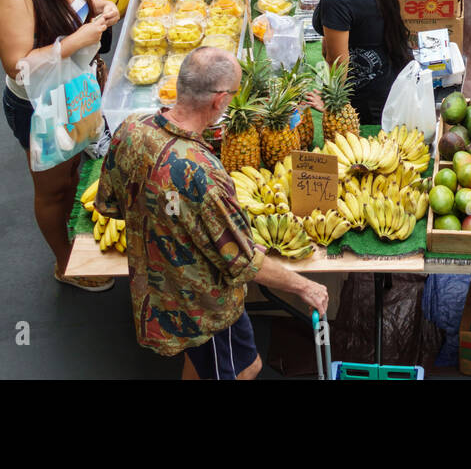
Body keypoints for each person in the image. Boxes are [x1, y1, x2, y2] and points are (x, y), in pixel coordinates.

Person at [97, 48, 329, 380]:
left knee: (200, 363)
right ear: (219, 101)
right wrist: (305, 286)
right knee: (244, 370)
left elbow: (113, 204)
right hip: (201, 307)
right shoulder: (202, 175)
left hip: (153, 290)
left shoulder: (132, 127)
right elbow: (244, 263)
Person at [0, 0, 120, 293]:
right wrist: (74, 41)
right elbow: (17, 64)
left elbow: (74, 1)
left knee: (77, 170)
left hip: (76, 90)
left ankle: (76, 240)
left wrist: (101, 5)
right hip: (39, 106)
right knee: (53, 187)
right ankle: (65, 262)